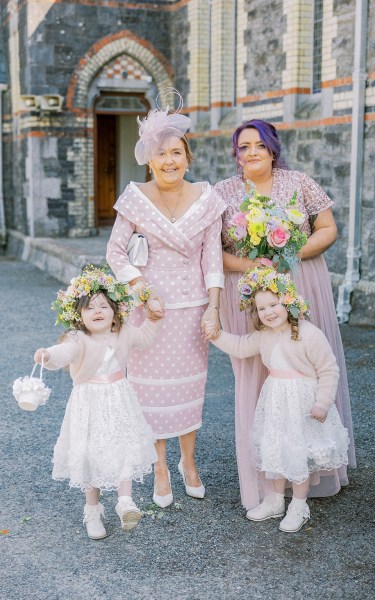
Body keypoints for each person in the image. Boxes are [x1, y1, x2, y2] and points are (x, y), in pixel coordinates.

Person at [214, 119, 356, 510]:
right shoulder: (222, 192)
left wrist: (289, 256)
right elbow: (209, 250)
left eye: (259, 144)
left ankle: (314, 467)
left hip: (300, 280)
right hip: (247, 291)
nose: (252, 152)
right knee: (260, 373)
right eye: (244, 146)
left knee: (303, 367)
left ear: (273, 148)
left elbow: (327, 229)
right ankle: (268, 477)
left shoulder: (299, 182)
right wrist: (249, 265)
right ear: (236, 153)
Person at [106, 101, 225, 509]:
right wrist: (142, 289)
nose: (170, 160)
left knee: (190, 390)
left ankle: (188, 463)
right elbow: (116, 253)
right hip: (150, 312)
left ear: (188, 158)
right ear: (149, 161)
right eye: (162, 153)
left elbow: (211, 258)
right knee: (151, 396)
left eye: (177, 152)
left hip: (192, 310)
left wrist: (214, 307)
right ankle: (159, 466)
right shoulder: (135, 198)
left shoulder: (208, 198)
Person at [212, 267, 350, 532]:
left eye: (274, 304)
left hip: (303, 404)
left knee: (298, 453)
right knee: (276, 450)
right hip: (276, 401)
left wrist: (322, 402)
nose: (269, 312)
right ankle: (275, 500)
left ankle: (299, 505)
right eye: (262, 309)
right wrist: (217, 335)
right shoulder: (264, 335)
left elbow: (328, 369)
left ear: (288, 301)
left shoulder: (308, 333)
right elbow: (241, 347)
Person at [33, 266, 162, 540]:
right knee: (91, 454)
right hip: (89, 402)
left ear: (115, 310)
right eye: (90, 308)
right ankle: (93, 510)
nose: (98, 311)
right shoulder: (78, 338)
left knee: (124, 445)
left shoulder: (124, 332)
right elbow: (65, 352)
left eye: (104, 305)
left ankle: (124, 501)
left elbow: (146, 337)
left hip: (119, 398)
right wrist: (48, 355)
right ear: (78, 316)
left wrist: (154, 318)